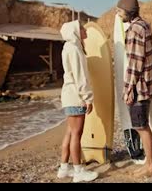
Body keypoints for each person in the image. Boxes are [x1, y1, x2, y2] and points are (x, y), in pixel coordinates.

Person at [116, 0, 152, 177]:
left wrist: (128, 89)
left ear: (128, 11)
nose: (118, 14)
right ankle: (149, 164)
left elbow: (135, 63)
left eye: (119, 11)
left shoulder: (134, 30)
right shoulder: (144, 25)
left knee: (142, 126)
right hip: (148, 84)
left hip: (140, 87)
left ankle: (150, 167)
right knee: (143, 125)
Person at [57, 20, 99, 183]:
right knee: (76, 134)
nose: (85, 30)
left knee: (69, 132)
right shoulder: (74, 49)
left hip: (68, 95)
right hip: (76, 96)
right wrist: (88, 98)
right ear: (75, 31)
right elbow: (80, 78)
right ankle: (78, 171)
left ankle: (64, 168)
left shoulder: (67, 47)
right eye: (82, 28)